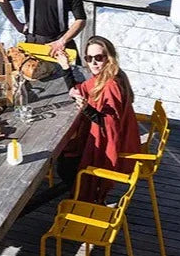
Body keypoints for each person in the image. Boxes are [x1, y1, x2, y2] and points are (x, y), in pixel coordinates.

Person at [55, 35, 141, 204]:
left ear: (109, 58)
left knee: (66, 162)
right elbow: (80, 91)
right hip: (120, 137)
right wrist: (66, 67)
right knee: (67, 156)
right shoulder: (106, 77)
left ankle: (85, 199)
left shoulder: (110, 86)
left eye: (98, 58)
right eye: (88, 58)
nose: (93, 63)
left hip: (112, 146)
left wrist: (86, 108)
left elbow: (109, 123)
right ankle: (80, 193)